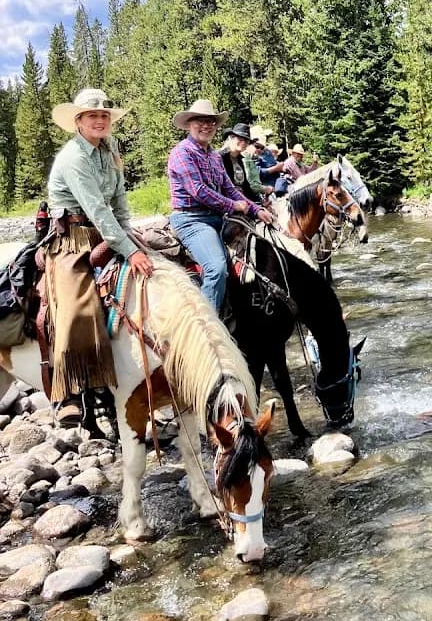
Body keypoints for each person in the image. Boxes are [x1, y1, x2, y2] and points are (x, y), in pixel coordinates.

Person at [47, 88, 154, 427]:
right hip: (73, 238)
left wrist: (132, 237)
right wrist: (130, 249)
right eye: (92, 115)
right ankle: (68, 392)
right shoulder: (73, 158)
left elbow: (119, 202)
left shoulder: (109, 151)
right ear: (78, 121)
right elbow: (96, 209)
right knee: (79, 302)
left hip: (103, 232)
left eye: (104, 115)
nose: (100, 119)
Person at [167, 100, 272, 315]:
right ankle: (209, 327)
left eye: (211, 122)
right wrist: (234, 205)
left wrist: (256, 210)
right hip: (192, 220)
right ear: (189, 124)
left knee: (258, 248)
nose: (206, 125)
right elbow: (198, 191)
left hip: (216, 218)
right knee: (216, 268)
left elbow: (230, 188)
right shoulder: (182, 153)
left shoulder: (214, 156)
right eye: (200, 121)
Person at [218, 123, 263, 204]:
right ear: (231, 138)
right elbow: (223, 187)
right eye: (240, 139)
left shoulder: (240, 159)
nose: (243, 143)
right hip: (228, 203)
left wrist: (258, 203)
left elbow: (246, 186)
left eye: (246, 141)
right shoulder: (219, 157)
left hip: (243, 200)